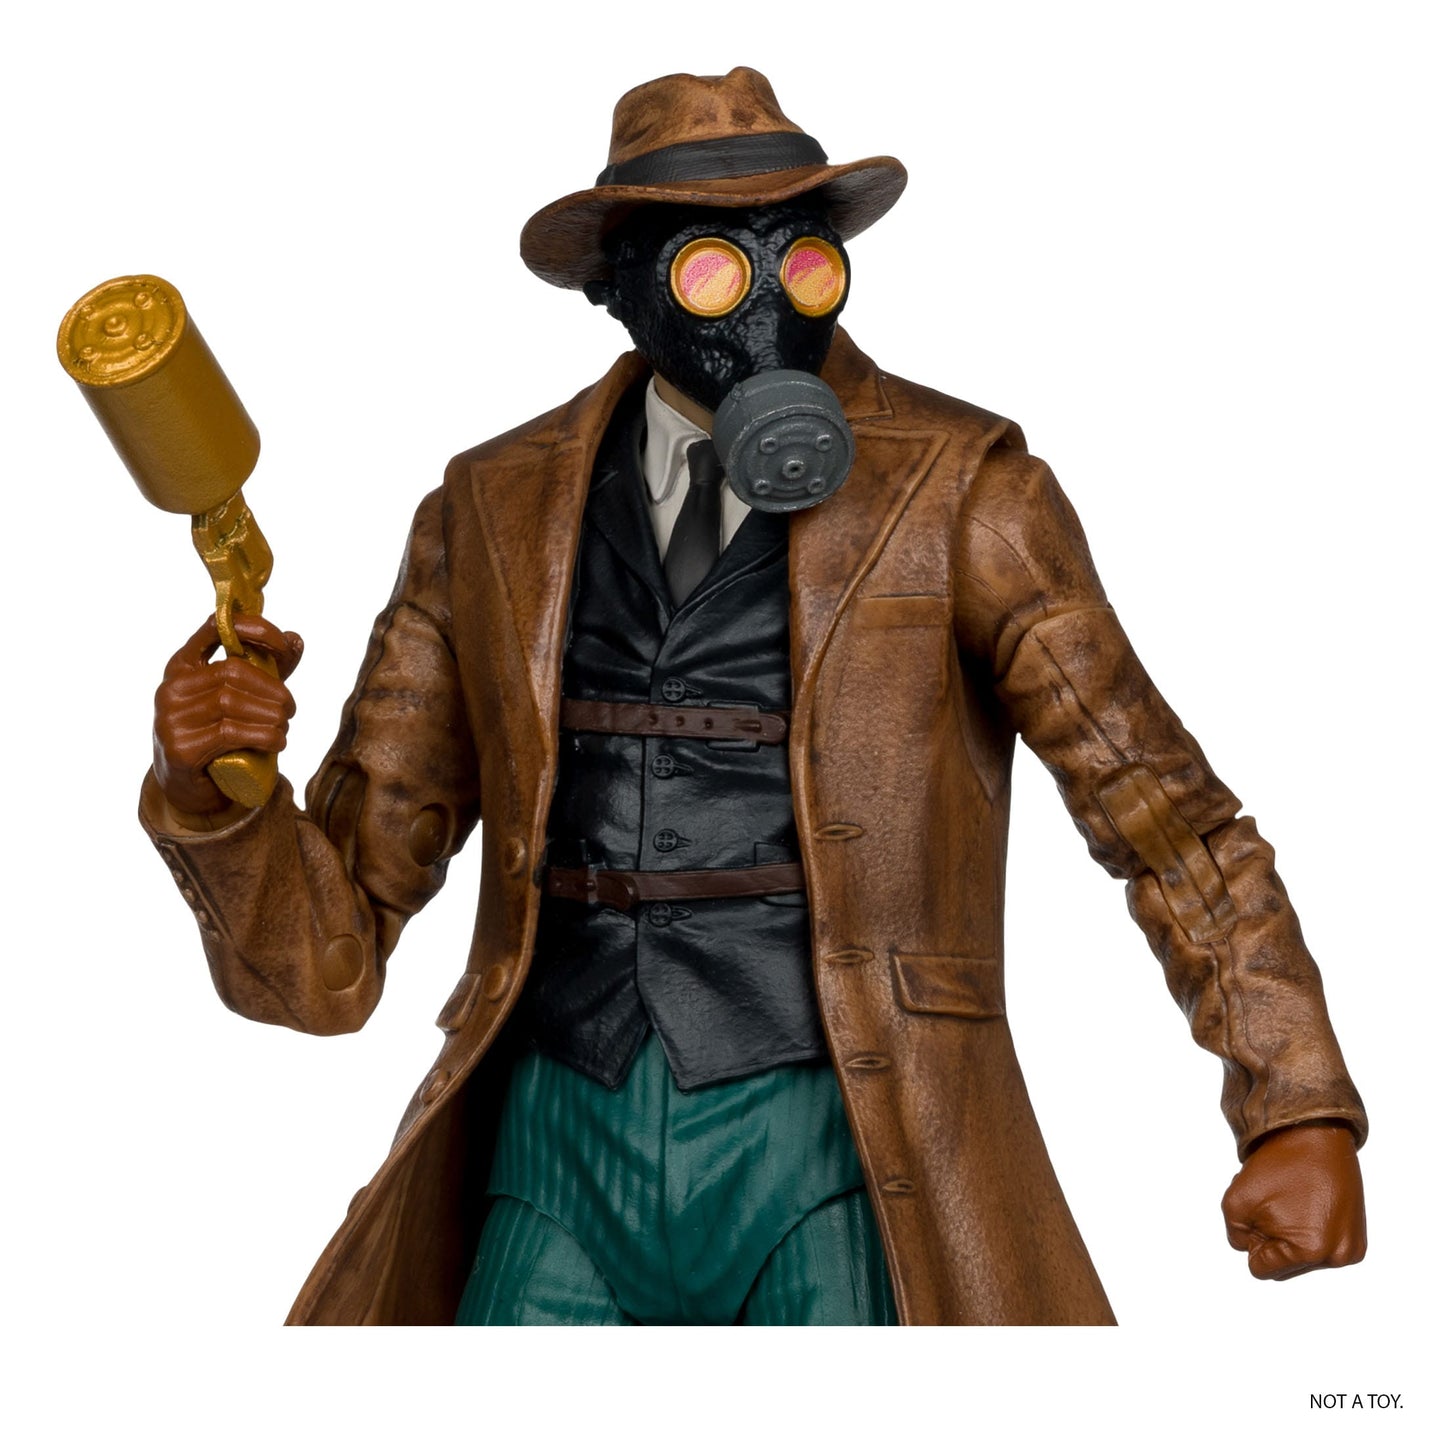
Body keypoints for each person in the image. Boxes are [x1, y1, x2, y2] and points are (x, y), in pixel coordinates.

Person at [143, 67, 1366, 1325]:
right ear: (617, 287)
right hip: (559, 1140)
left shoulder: (962, 492)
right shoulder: (488, 512)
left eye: (807, 264)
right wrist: (217, 797)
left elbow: (1164, 823)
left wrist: (1294, 1104)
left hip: (833, 1143)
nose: (771, 308)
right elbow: (326, 963)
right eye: (712, 271)